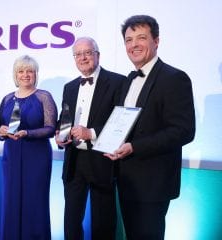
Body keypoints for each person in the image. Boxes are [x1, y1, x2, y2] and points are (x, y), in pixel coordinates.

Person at [105, 15, 196, 240]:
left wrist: (135, 147)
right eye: (128, 39)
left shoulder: (174, 78)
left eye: (141, 38)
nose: (134, 44)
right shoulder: (128, 79)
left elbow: (184, 130)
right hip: (126, 179)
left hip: (153, 181)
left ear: (157, 41)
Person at [55, 37, 126, 240]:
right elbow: (64, 119)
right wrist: (60, 135)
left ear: (98, 55)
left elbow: (121, 123)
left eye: (88, 52)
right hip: (74, 160)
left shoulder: (118, 82)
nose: (83, 57)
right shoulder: (69, 87)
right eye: (78, 54)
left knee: (103, 222)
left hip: (102, 159)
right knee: (71, 221)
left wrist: (91, 133)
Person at [0, 55, 57, 240]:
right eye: (21, 71)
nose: (25, 75)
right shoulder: (7, 99)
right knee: (11, 201)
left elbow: (50, 128)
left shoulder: (43, 96)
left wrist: (27, 133)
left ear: (35, 74)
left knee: (35, 202)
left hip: (37, 157)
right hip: (11, 157)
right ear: (16, 74)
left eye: (30, 71)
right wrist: (1, 131)